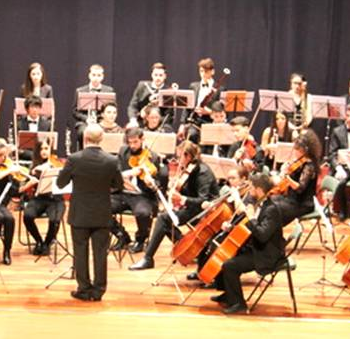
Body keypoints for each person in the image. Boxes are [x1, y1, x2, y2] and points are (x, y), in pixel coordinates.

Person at [130, 140, 220, 270]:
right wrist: (175, 187)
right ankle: (189, 247)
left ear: (188, 156)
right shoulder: (189, 168)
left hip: (206, 211)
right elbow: (188, 190)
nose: (178, 161)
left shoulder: (202, 172)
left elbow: (203, 200)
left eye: (179, 157)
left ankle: (148, 258)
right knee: (165, 218)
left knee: (163, 219)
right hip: (192, 207)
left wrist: (182, 198)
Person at [57, 124, 123, 301]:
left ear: (85, 138)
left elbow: (60, 183)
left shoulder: (74, 159)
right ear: (102, 139)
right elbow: (119, 185)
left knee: (80, 251)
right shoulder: (111, 160)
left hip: (80, 213)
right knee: (100, 252)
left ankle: (84, 289)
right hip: (102, 213)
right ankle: (99, 290)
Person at [214, 173, 286, 314]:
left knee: (229, 266)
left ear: (259, 190)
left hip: (267, 255)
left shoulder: (271, 209)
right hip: (257, 247)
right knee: (224, 254)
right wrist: (232, 228)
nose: (249, 190)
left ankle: (239, 304)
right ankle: (229, 294)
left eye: (252, 187)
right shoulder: (259, 204)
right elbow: (251, 229)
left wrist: (251, 217)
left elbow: (262, 235)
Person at [111, 127, 161, 253]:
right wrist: (128, 174)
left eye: (135, 142)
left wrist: (151, 184)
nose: (132, 145)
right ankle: (122, 236)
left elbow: (159, 182)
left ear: (142, 139)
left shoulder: (153, 157)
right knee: (99, 206)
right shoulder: (123, 152)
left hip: (142, 195)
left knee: (143, 213)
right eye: (130, 142)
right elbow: (116, 173)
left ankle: (140, 240)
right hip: (123, 193)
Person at [23, 138, 65, 255]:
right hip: (39, 198)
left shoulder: (56, 164)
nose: (44, 151)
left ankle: (47, 243)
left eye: (46, 148)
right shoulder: (34, 166)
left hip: (55, 199)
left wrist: (53, 170)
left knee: (55, 219)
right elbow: (25, 185)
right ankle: (39, 241)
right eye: (41, 149)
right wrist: (32, 175)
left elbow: (64, 179)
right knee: (27, 216)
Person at [271, 129, 321, 225]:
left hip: (303, 204)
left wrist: (287, 178)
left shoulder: (309, 166)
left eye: (297, 150)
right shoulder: (300, 162)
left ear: (304, 151)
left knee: (274, 209)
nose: (295, 153)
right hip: (292, 199)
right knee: (270, 201)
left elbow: (300, 188)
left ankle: (274, 233)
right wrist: (285, 169)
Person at [72, 64, 115, 149]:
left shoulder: (109, 90)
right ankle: (83, 154)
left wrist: (99, 119)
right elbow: (75, 111)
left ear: (102, 77)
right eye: (94, 75)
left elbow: (111, 109)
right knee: (83, 132)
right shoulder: (80, 90)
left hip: (102, 122)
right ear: (89, 75)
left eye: (99, 75)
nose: (96, 78)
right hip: (85, 122)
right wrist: (86, 119)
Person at [127, 62, 170, 127]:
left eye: (160, 75)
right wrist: (133, 120)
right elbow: (133, 106)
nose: (158, 78)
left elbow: (170, 115)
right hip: (141, 122)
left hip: (160, 125)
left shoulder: (168, 91)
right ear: (152, 75)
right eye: (156, 75)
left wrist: (154, 119)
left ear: (165, 76)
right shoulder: (142, 86)